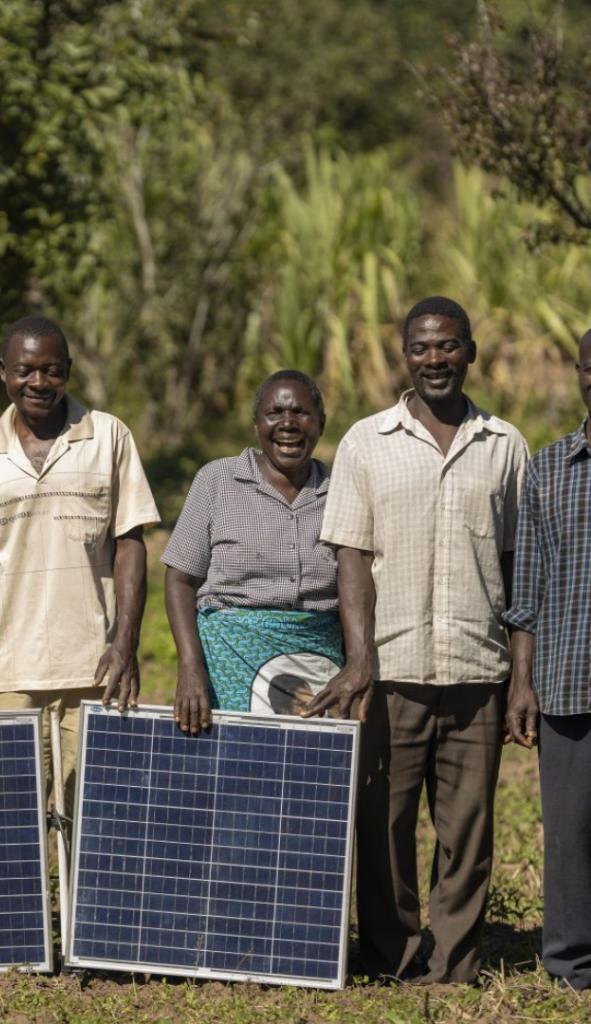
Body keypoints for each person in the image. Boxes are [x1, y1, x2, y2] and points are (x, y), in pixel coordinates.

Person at [305, 297, 528, 984]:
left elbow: (523, 567)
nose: (436, 359)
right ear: (406, 356)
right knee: (385, 826)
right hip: (392, 671)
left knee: (468, 833)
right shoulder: (366, 442)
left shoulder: (505, 445)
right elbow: (350, 557)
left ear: (470, 353)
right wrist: (360, 658)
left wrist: (522, 677)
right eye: (422, 348)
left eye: (449, 346)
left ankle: (455, 961)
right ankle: (393, 957)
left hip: (476, 671)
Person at [0, 315, 160, 808]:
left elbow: (130, 546)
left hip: (96, 672)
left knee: (93, 825)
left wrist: (125, 642)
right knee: (15, 826)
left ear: (69, 371)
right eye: (25, 370)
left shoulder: (108, 436)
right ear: (3, 372)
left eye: (52, 370)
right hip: (13, 672)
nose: (39, 382)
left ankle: (79, 893)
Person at [163, 370, 342, 734]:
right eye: (274, 413)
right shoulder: (217, 481)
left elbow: (359, 592)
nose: (288, 424)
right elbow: (180, 581)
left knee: (312, 779)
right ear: (256, 424)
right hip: (227, 664)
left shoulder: (342, 492)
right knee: (235, 778)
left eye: (302, 413)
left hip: (319, 673)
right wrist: (190, 668)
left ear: (321, 422)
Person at [503, 327, 591, 990]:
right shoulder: (548, 467)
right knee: (569, 836)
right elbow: (526, 589)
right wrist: (521, 682)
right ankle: (570, 965)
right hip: (567, 681)